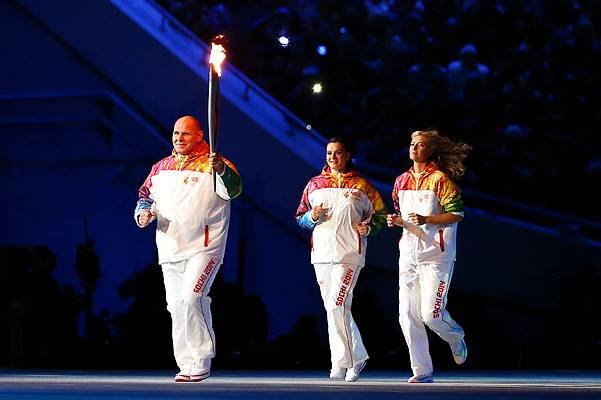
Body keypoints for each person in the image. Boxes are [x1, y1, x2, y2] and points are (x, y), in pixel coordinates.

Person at [134, 115, 242, 382]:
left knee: (193, 297)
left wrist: (222, 171)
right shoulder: (160, 168)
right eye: (175, 133)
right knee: (176, 306)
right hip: (170, 247)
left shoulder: (216, 165)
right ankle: (186, 363)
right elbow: (144, 198)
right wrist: (143, 214)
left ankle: (202, 357)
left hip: (205, 246)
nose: (179, 138)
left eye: (185, 134)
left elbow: (234, 190)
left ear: (199, 136)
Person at [295, 137, 387, 382]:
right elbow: (300, 218)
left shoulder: (361, 186)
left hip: (349, 254)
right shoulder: (314, 185)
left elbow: (379, 215)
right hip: (322, 255)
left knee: (337, 305)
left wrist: (370, 226)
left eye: (337, 153)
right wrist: (311, 217)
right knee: (334, 308)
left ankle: (353, 360)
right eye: (328, 153)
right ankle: (342, 361)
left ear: (347, 155)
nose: (332, 158)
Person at [387, 129, 471, 383]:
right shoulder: (401, 181)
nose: (414, 148)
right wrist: (397, 221)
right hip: (409, 255)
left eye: (421, 145)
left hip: (437, 255)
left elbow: (457, 214)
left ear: (430, 150)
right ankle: (422, 370)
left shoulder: (441, 181)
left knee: (431, 315)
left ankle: (455, 337)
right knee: (407, 314)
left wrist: (428, 219)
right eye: (413, 143)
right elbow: (405, 215)